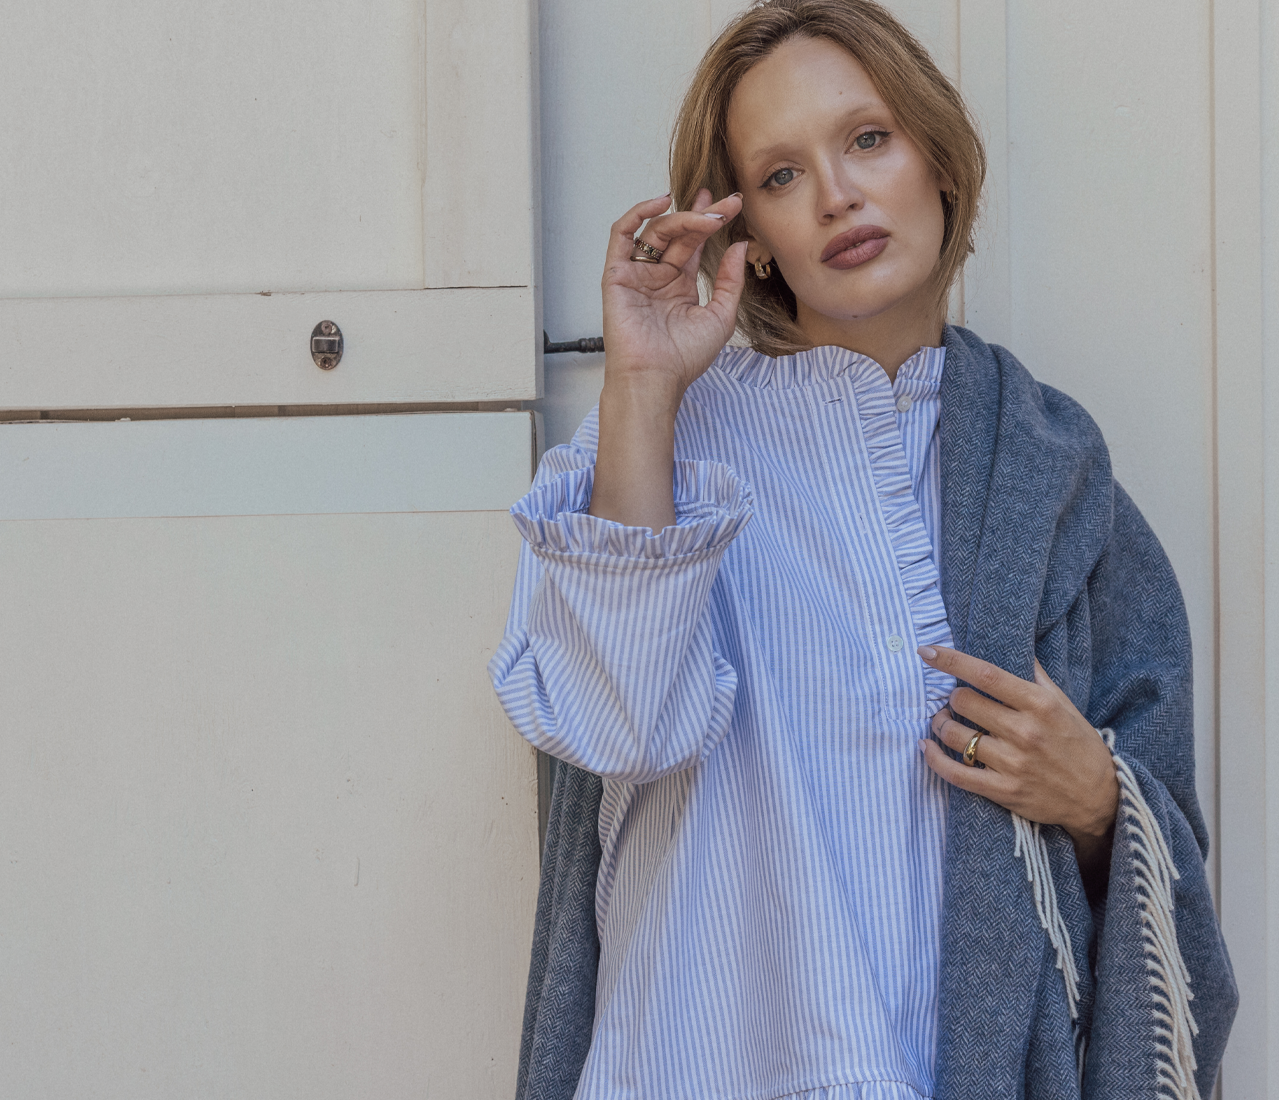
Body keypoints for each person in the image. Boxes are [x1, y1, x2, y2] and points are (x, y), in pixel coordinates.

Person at [488, 3, 1238, 1099]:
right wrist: (641, 386)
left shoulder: (1053, 472)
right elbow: (619, 724)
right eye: (781, 175)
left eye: (868, 139)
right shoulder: (660, 450)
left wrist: (1096, 801)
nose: (835, 194)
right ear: (749, 236)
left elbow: (1162, 849)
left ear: (937, 157)